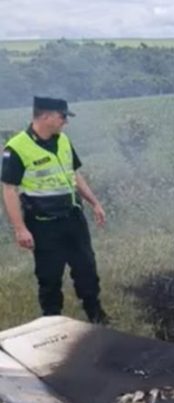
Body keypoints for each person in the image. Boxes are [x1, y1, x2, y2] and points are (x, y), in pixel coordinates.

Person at [1, 96, 109, 324]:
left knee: (86, 267)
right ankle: (51, 322)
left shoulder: (63, 141)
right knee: (49, 275)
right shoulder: (16, 148)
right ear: (46, 116)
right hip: (43, 223)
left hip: (72, 218)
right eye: (62, 117)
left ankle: (95, 313)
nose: (65, 123)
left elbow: (74, 174)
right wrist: (20, 229)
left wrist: (94, 202)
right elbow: (9, 190)